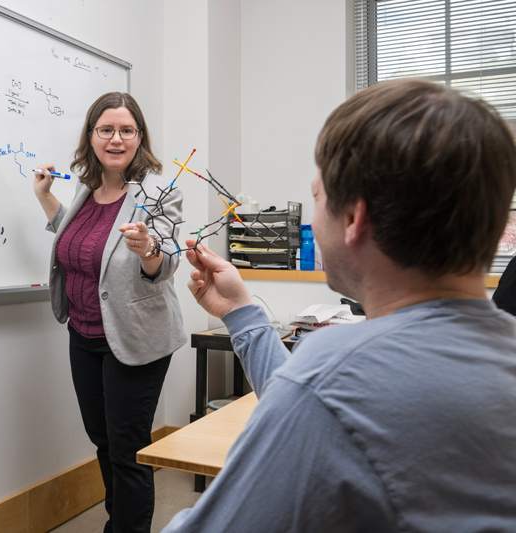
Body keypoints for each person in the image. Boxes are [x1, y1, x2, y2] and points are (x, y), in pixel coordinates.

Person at [164, 79, 516, 532]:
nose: (313, 218)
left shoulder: (334, 377)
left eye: (316, 197)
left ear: (354, 218)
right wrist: (241, 312)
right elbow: (320, 417)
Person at [33, 92, 185, 532]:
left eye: (126, 130)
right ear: (91, 135)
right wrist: (45, 198)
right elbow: (81, 243)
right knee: (102, 441)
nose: (116, 139)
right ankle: (117, 523)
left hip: (135, 337)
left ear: (140, 137)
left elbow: (165, 263)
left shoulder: (158, 193)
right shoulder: (86, 189)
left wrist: (149, 250)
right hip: (83, 334)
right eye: (106, 130)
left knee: (127, 447)